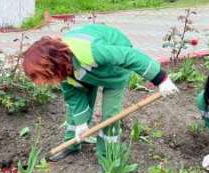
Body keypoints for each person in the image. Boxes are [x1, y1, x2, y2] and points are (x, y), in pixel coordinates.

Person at [22, 24, 179, 161]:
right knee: (74, 114)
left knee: (110, 115)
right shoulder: (61, 70)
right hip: (82, 70)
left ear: (52, 65)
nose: (47, 83)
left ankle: (108, 156)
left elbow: (130, 56)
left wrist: (161, 79)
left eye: (44, 77)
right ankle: (71, 145)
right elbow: (74, 97)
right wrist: (81, 123)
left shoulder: (90, 52)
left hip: (114, 68)